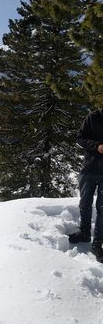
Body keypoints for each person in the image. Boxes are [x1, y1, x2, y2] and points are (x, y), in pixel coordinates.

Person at [73, 110, 103, 262]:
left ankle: (98, 243)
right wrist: (96, 146)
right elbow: (80, 138)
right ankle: (84, 233)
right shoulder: (93, 117)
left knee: (102, 208)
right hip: (90, 167)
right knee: (85, 202)